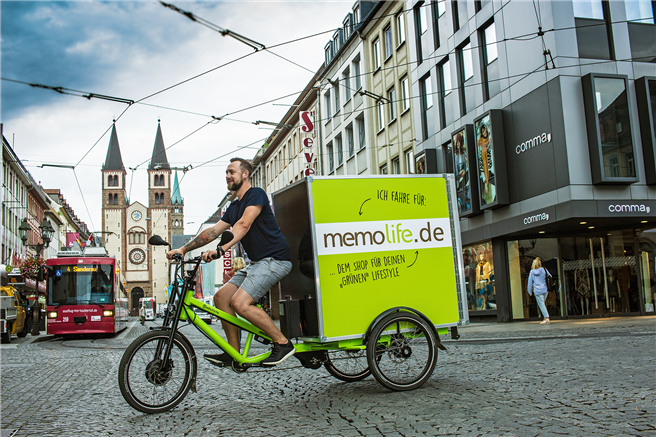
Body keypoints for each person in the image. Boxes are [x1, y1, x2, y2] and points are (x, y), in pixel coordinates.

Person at [166, 158, 294, 366]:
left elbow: (244, 224)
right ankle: (233, 352)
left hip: (275, 259)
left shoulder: (256, 195)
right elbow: (212, 231)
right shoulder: (234, 207)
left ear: (245, 174)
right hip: (257, 263)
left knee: (240, 303)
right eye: (226, 172)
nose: (227, 176)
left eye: (232, 172)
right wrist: (183, 249)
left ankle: (282, 343)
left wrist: (221, 249)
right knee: (221, 298)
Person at [527, 257, 551, 324]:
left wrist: (529, 292)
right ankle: (545, 317)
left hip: (538, 290)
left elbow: (530, 282)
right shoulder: (544, 270)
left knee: (541, 304)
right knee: (543, 304)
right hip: (545, 289)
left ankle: (546, 318)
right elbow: (550, 277)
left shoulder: (532, 272)